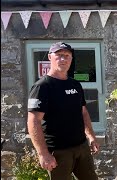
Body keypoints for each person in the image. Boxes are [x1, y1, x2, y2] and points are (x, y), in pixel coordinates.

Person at [27, 42, 99, 180]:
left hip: (81, 147)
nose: (63, 59)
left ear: (71, 59)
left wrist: (91, 137)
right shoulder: (42, 87)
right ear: (50, 57)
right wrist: (43, 154)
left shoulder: (75, 84)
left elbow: (83, 112)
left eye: (67, 56)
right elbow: (33, 121)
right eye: (59, 55)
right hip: (58, 152)